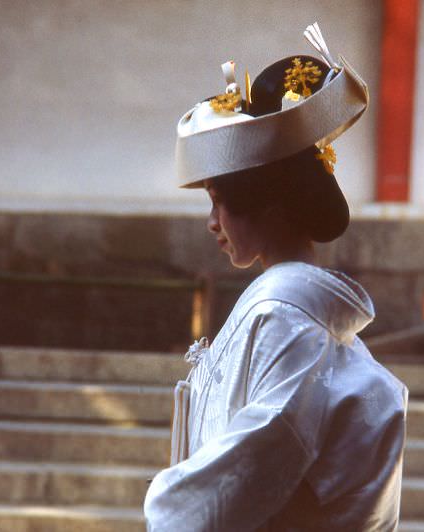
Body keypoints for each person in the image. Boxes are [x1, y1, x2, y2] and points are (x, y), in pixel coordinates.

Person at [144, 23, 408, 531]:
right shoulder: (300, 316)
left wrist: (166, 511)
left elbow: (268, 445)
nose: (212, 223)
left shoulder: (285, 316)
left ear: (270, 205)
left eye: (221, 203)